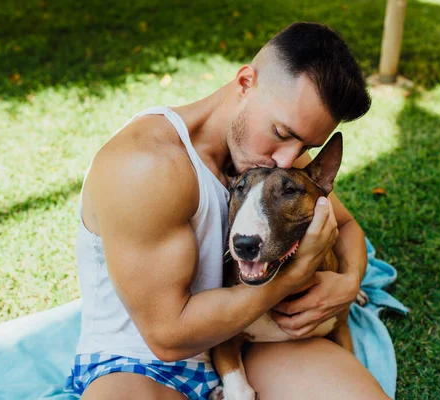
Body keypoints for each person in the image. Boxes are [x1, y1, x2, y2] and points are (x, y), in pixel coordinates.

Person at [66, 22, 389, 399]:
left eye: (307, 145)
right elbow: (168, 338)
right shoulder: (146, 166)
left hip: (253, 340)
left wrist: (349, 284)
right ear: (245, 83)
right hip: (142, 363)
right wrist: (295, 274)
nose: (289, 157)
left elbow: (347, 227)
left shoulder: (270, 156)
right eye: (284, 134)